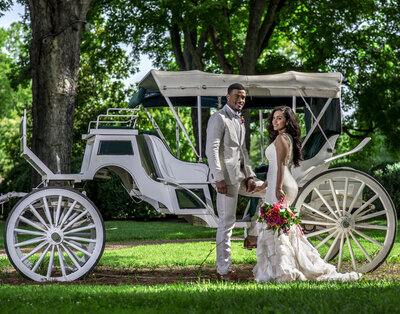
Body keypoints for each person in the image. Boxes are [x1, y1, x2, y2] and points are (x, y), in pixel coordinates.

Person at [252, 106, 360, 282]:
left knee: (276, 227)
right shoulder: (285, 138)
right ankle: (279, 266)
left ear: (287, 121)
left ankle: (281, 269)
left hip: (282, 184)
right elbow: (275, 167)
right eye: (274, 118)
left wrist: (277, 188)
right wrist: (264, 184)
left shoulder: (281, 138)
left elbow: (280, 166)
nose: (275, 121)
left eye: (279, 118)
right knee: (280, 227)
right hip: (281, 182)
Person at [206, 83, 265, 281]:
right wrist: (218, 177)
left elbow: (243, 151)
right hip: (226, 180)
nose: (241, 100)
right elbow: (212, 150)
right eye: (237, 96)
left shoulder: (240, 120)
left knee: (268, 192)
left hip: (241, 177)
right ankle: (224, 270)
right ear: (227, 96)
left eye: (243, 97)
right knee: (227, 223)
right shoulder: (218, 118)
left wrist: (249, 175)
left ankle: (254, 234)